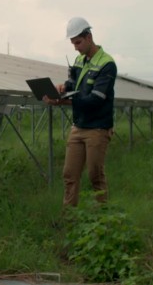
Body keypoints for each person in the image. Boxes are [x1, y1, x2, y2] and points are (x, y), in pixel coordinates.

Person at [43, 17, 117, 206]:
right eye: (73, 43)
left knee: (95, 176)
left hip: (97, 128)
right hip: (78, 126)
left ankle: (103, 220)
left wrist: (64, 102)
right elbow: (72, 85)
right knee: (69, 175)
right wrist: (61, 89)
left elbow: (95, 100)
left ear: (89, 37)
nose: (75, 47)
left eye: (78, 42)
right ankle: (70, 219)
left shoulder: (107, 64)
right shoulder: (79, 60)